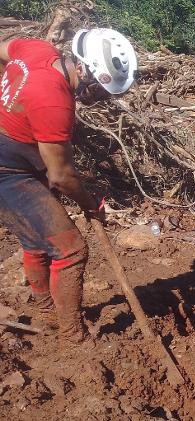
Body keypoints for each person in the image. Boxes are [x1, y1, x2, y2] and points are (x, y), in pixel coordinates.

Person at [0, 28, 138, 345]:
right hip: (7, 171)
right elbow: (61, 175)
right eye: (99, 88)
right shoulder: (53, 101)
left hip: (20, 161)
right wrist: (91, 207)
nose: (99, 96)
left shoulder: (37, 49)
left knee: (37, 240)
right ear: (82, 68)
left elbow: (3, 50)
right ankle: (72, 336)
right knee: (71, 249)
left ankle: (46, 310)